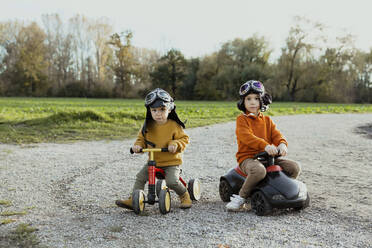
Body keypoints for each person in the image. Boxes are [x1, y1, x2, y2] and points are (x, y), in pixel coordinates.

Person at [226, 80, 301, 211]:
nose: (252, 102)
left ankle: (284, 191)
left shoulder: (267, 120)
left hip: (268, 158)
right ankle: (241, 197)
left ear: (262, 101)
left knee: (294, 167)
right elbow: (247, 137)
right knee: (259, 170)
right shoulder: (241, 120)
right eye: (248, 99)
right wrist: (265, 146)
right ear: (243, 102)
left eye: (256, 98)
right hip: (248, 158)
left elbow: (277, 135)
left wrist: (282, 144)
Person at [116, 88, 192, 210]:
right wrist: (138, 146)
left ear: (169, 109)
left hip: (171, 163)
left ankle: (184, 195)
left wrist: (175, 144)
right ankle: (134, 199)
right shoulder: (148, 126)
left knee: (172, 181)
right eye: (154, 110)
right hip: (154, 162)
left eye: (162, 110)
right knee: (140, 177)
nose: (158, 113)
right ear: (149, 111)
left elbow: (184, 139)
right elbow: (141, 139)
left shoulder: (174, 125)